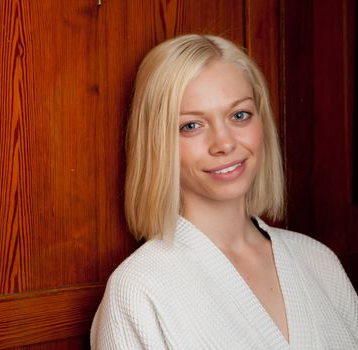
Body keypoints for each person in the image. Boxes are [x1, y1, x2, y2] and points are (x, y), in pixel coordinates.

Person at [90, 34, 358, 349]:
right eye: (191, 125)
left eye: (239, 115)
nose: (225, 143)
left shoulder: (318, 260)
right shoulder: (138, 289)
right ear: (158, 143)